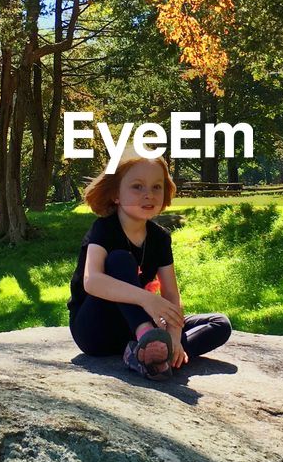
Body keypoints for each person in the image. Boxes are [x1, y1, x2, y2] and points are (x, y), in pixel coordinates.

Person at [68, 153, 232, 380]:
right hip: (95, 330)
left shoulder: (160, 238)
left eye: (157, 187)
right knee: (119, 260)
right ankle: (147, 339)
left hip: (136, 330)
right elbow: (92, 281)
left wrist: (174, 336)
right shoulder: (104, 229)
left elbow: (171, 294)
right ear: (116, 194)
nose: (149, 194)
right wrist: (147, 300)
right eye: (137, 187)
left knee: (220, 324)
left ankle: (156, 357)